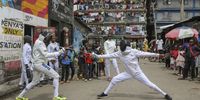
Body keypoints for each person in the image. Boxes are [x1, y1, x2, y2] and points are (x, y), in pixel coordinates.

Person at [94, 40, 172, 100]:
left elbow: (146, 54)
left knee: (150, 85)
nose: (121, 47)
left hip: (138, 73)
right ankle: (105, 93)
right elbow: (108, 55)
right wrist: (97, 56)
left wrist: (158, 55)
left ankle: (164, 94)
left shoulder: (133, 52)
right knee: (114, 79)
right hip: (128, 73)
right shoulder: (119, 53)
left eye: (121, 45)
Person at [16, 32, 66, 100]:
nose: (49, 39)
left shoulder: (38, 41)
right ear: (44, 37)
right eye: (48, 37)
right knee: (56, 76)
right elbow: (45, 54)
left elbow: (42, 55)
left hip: (36, 64)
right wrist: (59, 52)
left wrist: (51, 58)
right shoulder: (40, 43)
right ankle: (55, 96)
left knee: (34, 82)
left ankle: (20, 96)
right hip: (40, 64)